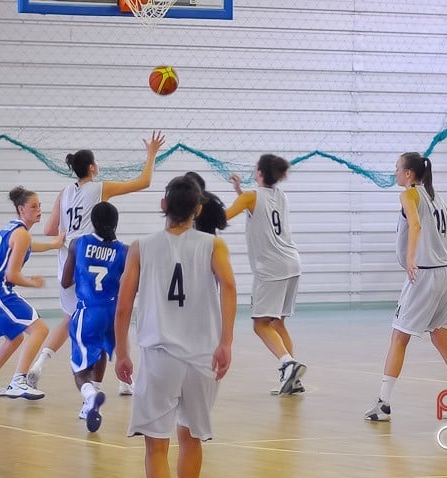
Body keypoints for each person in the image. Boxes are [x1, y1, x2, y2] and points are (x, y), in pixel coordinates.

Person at [114, 175, 236, 478]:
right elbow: (230, 288)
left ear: (163, 205)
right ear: (198, 209)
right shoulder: (214, 245)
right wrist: (226, 343)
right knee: (191, 440)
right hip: (201, 357)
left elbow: (123, 307)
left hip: (159, 358)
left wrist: (122, 352)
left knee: (156, 446)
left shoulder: (141, 247)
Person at [28, 131, 165, 396]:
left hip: (68, 262)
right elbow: (144, 181)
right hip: (94, 257)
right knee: (115, 311)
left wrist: (69, 234)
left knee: (70, 319)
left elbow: (48, 229)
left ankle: (40, 363)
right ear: (92, 167)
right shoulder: (100, 188)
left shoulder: (64, 192)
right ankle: (126, 380)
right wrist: (151, 154)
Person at [364, 153, 447, 421]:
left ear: (408, 174)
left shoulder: (409, 195)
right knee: (441, 338)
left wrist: (412, 258)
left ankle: (383, 405)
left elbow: (414, 224)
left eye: (397, 168)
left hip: (425, 276)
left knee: (398, 337)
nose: (394, 172)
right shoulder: (436, 197)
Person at [226, 154, 306, 396]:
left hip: (272, 268)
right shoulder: (280, 196)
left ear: (259, 173)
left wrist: (200, 206)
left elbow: (224, 217)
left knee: (260, 324)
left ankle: (288, 364)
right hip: (292, 263)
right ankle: (292, 378)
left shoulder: (252, 196)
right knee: (278, 322)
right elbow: (257, 208)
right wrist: (240, 190)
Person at [0, 186, 63, 399]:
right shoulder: (21, 234)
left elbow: (29, 246)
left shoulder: (14, 229)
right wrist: (34, 283)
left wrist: (54, 245)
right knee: (39, 329)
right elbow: (12, 276)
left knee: (15, 338)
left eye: (40, 206)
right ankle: (18, 381)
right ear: (21, 209)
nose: (39, 210)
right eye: (34, 206)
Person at [61, 202, 127, 432]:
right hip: (113, 312)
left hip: (88, 311)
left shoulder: (78, 244)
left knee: (79, 368)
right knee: (100, 353)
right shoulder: (124, 250)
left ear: (93, 221)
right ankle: (90, 403)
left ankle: (89, 396)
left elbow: (65, 282)